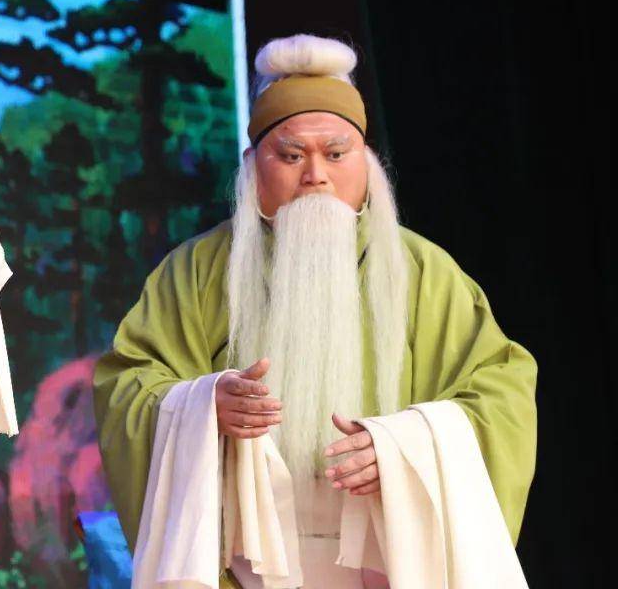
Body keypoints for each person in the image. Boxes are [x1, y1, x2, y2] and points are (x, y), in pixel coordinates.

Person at [93, 34, 537, 587]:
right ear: (252, 166)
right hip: (246, 566)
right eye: (290, 155)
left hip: (387, 560)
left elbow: (500, 395)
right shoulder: (197, 272)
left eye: (336, 153)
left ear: (367, 164)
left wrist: (406, 454)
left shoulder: (425, 273)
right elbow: (129, 383)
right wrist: (203, 409)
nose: (315, 175)